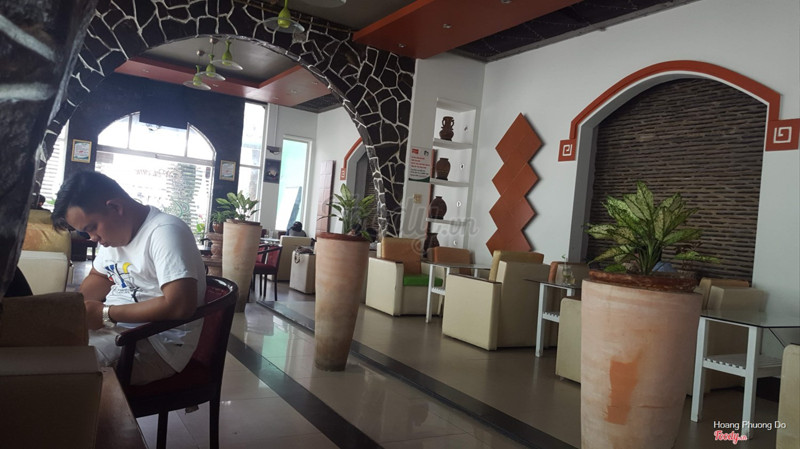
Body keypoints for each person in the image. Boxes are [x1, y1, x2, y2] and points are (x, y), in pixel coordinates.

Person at [51, 172, 206, 385]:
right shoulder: (112, 237)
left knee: (60, 370)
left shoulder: (165, 232)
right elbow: (99, 276)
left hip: (155, 343)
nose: (93, 238)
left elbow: (180, 305)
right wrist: (76, 309)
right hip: (117, 329)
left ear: (115, 207)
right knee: (42, 349)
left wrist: (105, 314)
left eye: (92, 228)